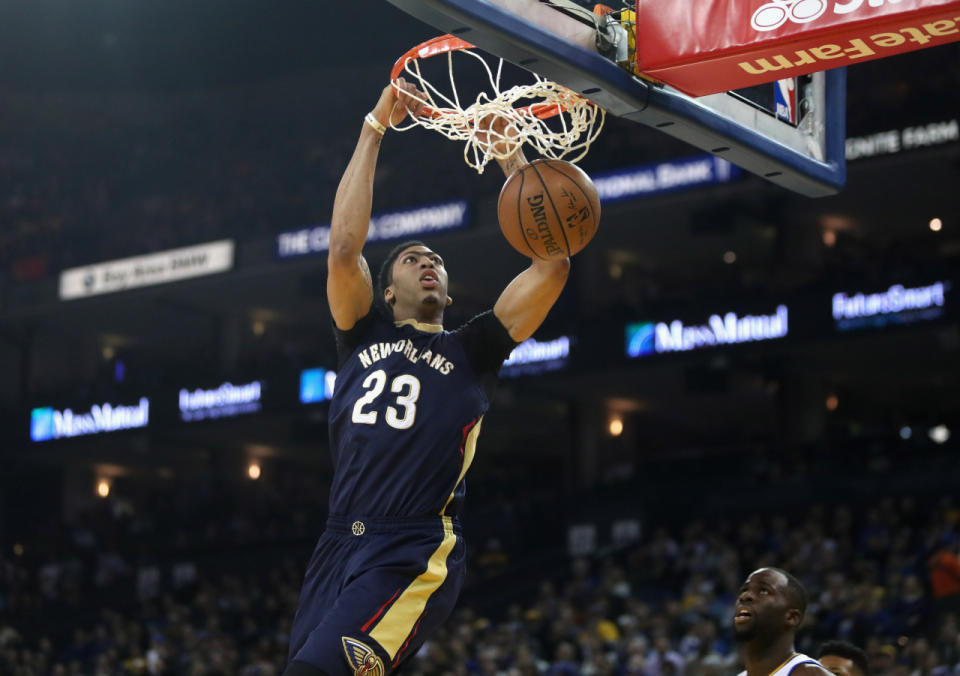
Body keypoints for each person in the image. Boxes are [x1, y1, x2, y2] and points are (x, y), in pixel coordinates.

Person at [283, 78, 571, 676]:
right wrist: (374, 126)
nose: (430, 264)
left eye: (437, 260)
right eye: (414, 260)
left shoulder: (475, 348)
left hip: (413, 546)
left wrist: (510, 156)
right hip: (337, 541)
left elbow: (552, 263)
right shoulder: (360, 331)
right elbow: (342, 248)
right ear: (388, 290)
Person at [733, 568, 832, 676]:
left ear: (791, 617)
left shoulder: (809, 673)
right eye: (744, 590)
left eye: (763, 591)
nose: (745, 596)